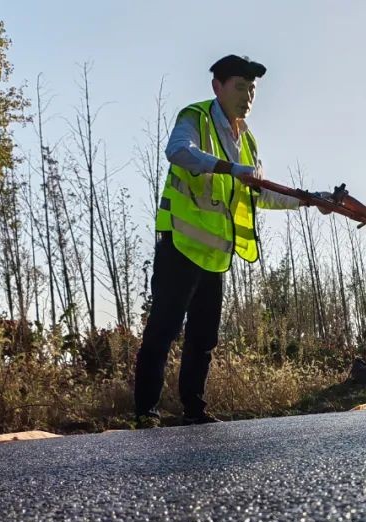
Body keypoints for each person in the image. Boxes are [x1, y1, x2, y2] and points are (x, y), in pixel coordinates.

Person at [134, 54, 332, 427]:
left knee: (203, 338)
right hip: (180, 244)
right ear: (217, 88)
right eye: (240, 87)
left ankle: (194, 409)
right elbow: (177, 152)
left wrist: (311, 200)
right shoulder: (195, 117)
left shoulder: (248, 142)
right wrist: (229, 168)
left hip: (214, 253)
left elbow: (260, 195)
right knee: (163, 329)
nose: (248, 96)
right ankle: (146, 412)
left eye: (252, 90)